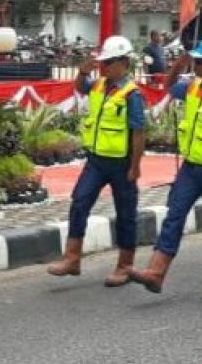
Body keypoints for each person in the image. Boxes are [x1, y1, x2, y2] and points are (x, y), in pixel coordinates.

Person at [128, 36, 202, 300]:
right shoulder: (192, 88)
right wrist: (179, 63)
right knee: (174, 215)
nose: (197, 66)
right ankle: (156, 273)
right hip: (191, 168)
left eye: (201, 62)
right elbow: (169, 86)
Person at [48, 35, 146, 286]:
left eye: (109, 62)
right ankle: (72, 259)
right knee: (80, 201)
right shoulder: (101, 85)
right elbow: (81, 87)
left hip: (122, 163)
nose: (104, 67)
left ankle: (125, 265)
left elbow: (138, 132)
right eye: (103, 63)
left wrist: (135, 166)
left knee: (126, 214)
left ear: (123, 63)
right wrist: (82, 72)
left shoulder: (131, 94)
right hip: (97, 160)